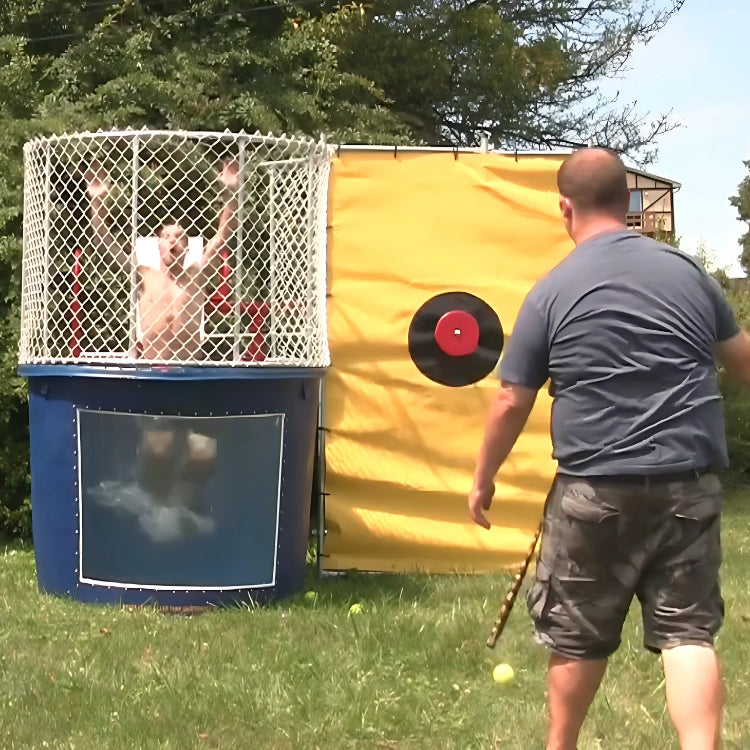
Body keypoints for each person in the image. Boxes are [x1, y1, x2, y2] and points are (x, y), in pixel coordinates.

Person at [468, 147, 750, 750]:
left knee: (576, 635)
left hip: (594, 490)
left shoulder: (552, 290)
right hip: (688, 485)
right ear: (628, 203)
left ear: (564, 208)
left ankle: (561, 744)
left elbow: (511, 401)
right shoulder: (688, 274)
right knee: (688, 635)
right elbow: (742, 362)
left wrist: (482, 478)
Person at [84, 159, 240, 542]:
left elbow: (225, 233)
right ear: (157, 244)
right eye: (169, 236)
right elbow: (104, 240)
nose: (176, 242)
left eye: (182, 237)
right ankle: (150, 500)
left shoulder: (197, 271)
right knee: (158, 448)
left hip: (192, 372)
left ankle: (177, 502)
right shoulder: (145, 273)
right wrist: (97, 202)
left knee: (204, 450)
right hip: (153, 371)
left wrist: (230, 193)